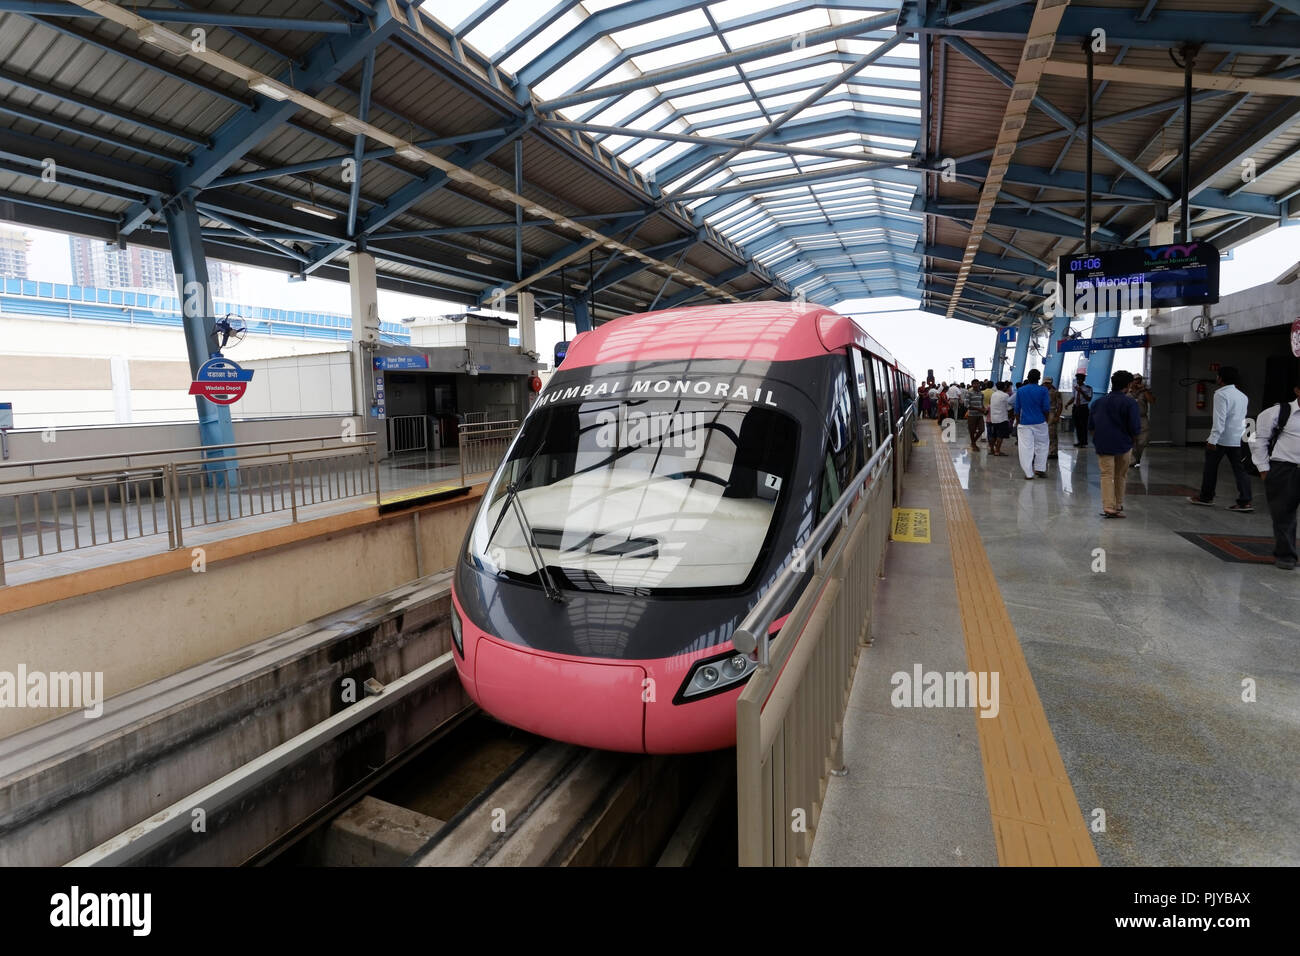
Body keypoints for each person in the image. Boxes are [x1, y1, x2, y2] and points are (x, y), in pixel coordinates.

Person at [1251, 376, 1300, 570]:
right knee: (1283, 514)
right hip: (1285, 469)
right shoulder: (1277, 412)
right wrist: (1263, 468)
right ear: (1297, 390)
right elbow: (1258, 440)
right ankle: (1286, 555)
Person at [1188, 365, 1252, 512]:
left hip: (1222, 439)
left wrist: (1213, 439)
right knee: (1240, 470)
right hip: (1239, 438)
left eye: (1217, 375)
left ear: (1221, 378)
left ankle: (1206, 497)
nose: (1216, 378)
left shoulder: (1221, 394)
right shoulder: (1243, 396)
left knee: (1210, 468)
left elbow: (1219, 419)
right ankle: (1245, 501)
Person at [1090, 370, 1141, 518]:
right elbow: (1135, 427)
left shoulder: (1098, 403)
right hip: (1124, 444)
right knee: (1121, 475)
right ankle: (1118, 504)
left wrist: (1098, 439)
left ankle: (1108, 506)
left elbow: (1091, 426)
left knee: (1106, 474)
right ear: (1128, 385)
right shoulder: (1130, 403)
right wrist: (1132, 440)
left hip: (1103, 444)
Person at [1012, 369, 1052, 479]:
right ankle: (1040, 469)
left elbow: (1017, 409)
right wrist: (1046, 420)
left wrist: (1018, 421)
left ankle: (1028, 473)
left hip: (1024, 422)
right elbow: (1046, 408)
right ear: (1039, 378)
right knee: (1042, 446)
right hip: (1040, 421)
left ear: (1028, 377)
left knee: (1026, 447)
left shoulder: (1020, 390)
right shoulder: (1043, 390)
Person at [1127, 374, 1155, 466]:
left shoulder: (1145, 391)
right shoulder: (1127, 392)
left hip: (1142, 418)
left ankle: (1136, 458)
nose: (1137, 381)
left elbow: (1152, 401)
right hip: (1130, 418)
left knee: (1143, 440)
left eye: (1139, 379)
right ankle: (1132, 460)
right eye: (1135, 380)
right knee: (1131, 440)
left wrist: (1144, 390)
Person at [1067, 372, 1093, 447]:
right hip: (1076, 407)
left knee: (1083, 425)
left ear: (1083, 379)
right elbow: (1073, 398)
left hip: (1083, 408)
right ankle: (1079, 441)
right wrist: (1068, 404)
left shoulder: (1088, 388)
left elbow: (1089, 398)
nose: (1078, 380)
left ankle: (1084, 442)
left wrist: (1081, 391)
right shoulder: (1075, 388)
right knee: (1077, 425)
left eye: (1080, 379)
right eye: (1077, 379)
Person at [987, 381, 1012, 456]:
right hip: (1002, 418)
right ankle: (997, 451)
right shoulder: (1005, 395)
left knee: (993, 435)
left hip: (993, 418)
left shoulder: (993, 394)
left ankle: (992, 450)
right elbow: (1009, 408)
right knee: (1000, 435)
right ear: (1004, 387)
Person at [1044, 376, 1063, 459]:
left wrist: (1057, 416)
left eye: (1048, 383)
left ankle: (1053, 452)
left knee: (1052, 434)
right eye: (1045, 383)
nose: (1046, 384)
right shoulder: (1041, 391)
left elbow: (1060, 405)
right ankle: (1045, 451)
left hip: (1051, 412)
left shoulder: (1055, 392)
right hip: (1043, 413)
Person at [964, 379, 986, 447]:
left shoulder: (981, 393)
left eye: (977, 384)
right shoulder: (969, 393)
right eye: (974, 384)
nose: (976, 385)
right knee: (972, 430)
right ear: (972, 385)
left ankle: (973, 442)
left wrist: (983, 409)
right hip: (972, 415)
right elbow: (966, 405)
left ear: (979, 384)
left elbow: (981, 403)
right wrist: (978, 409)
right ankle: (973, 443)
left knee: (982, 429)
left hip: (980, 415)